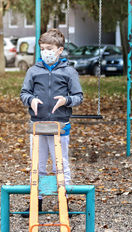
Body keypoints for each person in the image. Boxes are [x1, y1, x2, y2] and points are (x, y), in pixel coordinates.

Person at [20, 28, 83, 218]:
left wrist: (66, 100)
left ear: (59, 50)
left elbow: (78, 96)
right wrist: (31, 100)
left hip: (60, 127)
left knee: (60, 165)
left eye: (49, 48)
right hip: (37, 126)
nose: (45, 52)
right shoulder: (34, 71)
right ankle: (35, 202)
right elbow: (24, 93)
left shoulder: (69, 72)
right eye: (42, 48)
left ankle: (64, 202)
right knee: (37, 165)